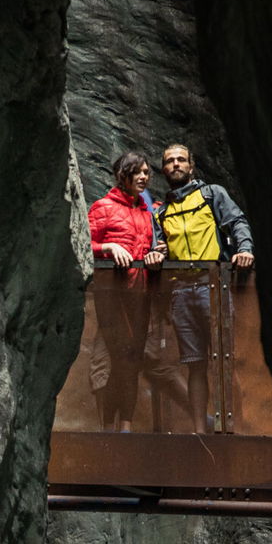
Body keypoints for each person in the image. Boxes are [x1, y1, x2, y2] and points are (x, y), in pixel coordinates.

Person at [157, 143, 254, 432]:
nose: (175, 164)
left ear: (191, 165)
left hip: (213, 286)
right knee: (194, 364)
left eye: (181, 160)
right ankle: (199, 430)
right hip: (180, 293)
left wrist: (245, 248)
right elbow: (158, 246)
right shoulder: (162, 212)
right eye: (170, 161)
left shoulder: (211, 194)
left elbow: (236, 222)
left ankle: (236, 427)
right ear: (164, 169)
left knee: (225, 359)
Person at [85, 151, 166, 431]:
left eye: (146, 172)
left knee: (132, 358)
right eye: (138, 172)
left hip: (140, 295)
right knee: (119, 356)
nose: (144, 177)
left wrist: (157, 255)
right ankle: (110, 425)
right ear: (124, 175)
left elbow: (149, 249)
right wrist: (108, 247)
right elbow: (83, 245)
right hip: (111, 294)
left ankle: (126, 427)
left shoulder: (147, 213)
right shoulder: (103, 207)